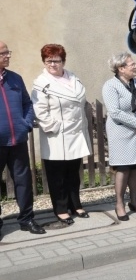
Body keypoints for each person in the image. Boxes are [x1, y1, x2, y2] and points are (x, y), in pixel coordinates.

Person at [30, 44, 92, 226]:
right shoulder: (41, 83)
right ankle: (61, 209)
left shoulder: (73, 77)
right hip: (56, 136)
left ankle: (76, 205)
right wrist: (55, 126)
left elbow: (80, 103)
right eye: (48, 60)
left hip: (76, 132)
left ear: (63, 61)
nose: (52, 65)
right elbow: (39, 111)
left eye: (56, 60)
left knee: (73, 172)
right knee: (57, 175)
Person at [0, 41, 44, 238]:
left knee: (23, 181)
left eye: (8, 52)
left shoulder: (15, 79)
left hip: (17, 140)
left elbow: (27, 103)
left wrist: (25, 124)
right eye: (3, 53)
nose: (8, 56)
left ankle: (26, 219)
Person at [102, 52, 136, 221]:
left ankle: (133, 201)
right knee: (123, 168)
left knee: (135, 166)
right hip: (121, 133)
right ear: (121, 69)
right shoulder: (110, 86)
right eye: (132, 64)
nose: (135, 66)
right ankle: (119, 204)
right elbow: (114, 112)